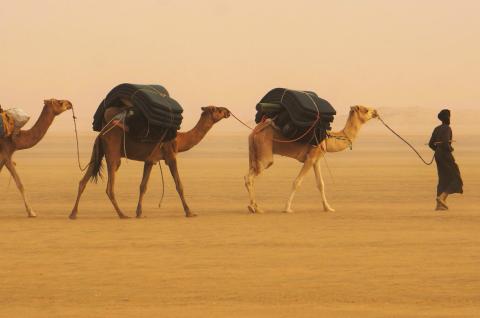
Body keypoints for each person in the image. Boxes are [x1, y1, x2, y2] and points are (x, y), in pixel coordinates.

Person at [429, 109, 463, 211]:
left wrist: (437, 149)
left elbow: (431, 144)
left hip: (438, 155)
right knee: (455, 177)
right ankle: (442, 197)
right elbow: (445, 142)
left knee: (443, 178)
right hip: (445, 155)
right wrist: (450, 148)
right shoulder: (447, 128)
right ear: (447, 118)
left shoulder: (437, 128)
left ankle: (439, 205)